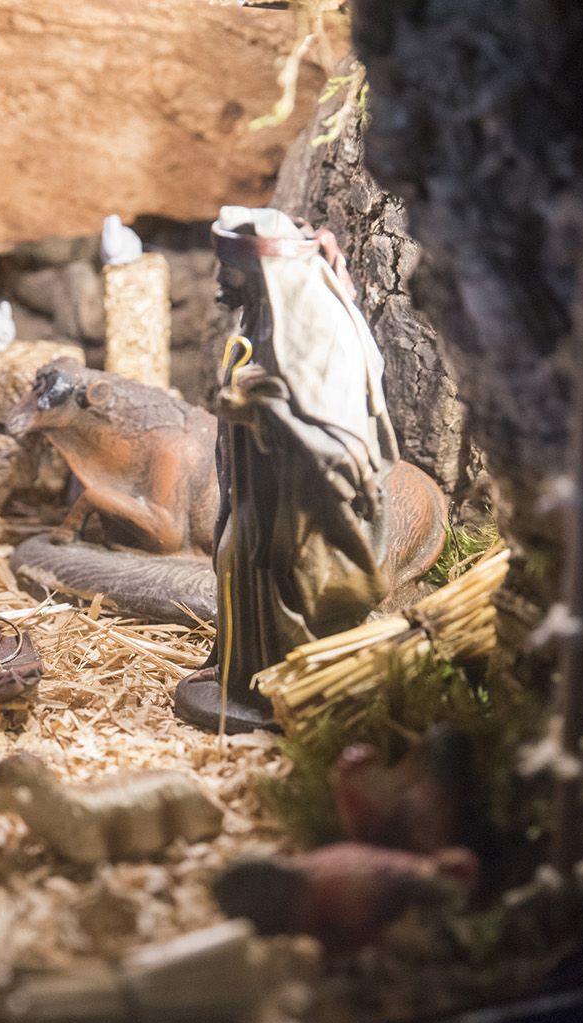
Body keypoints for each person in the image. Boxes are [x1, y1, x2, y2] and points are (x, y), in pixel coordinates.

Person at [175, 207, 398, 734]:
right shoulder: (264, 313)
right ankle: (243, 673)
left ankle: (293, 685)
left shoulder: (322, 334)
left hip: (304, 508)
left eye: (227, 270)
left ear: (261, 274)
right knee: (231, 559)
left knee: (288, 583)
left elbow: (343, 447)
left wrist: (263, 412)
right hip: (261, 493)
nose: (217, 282)